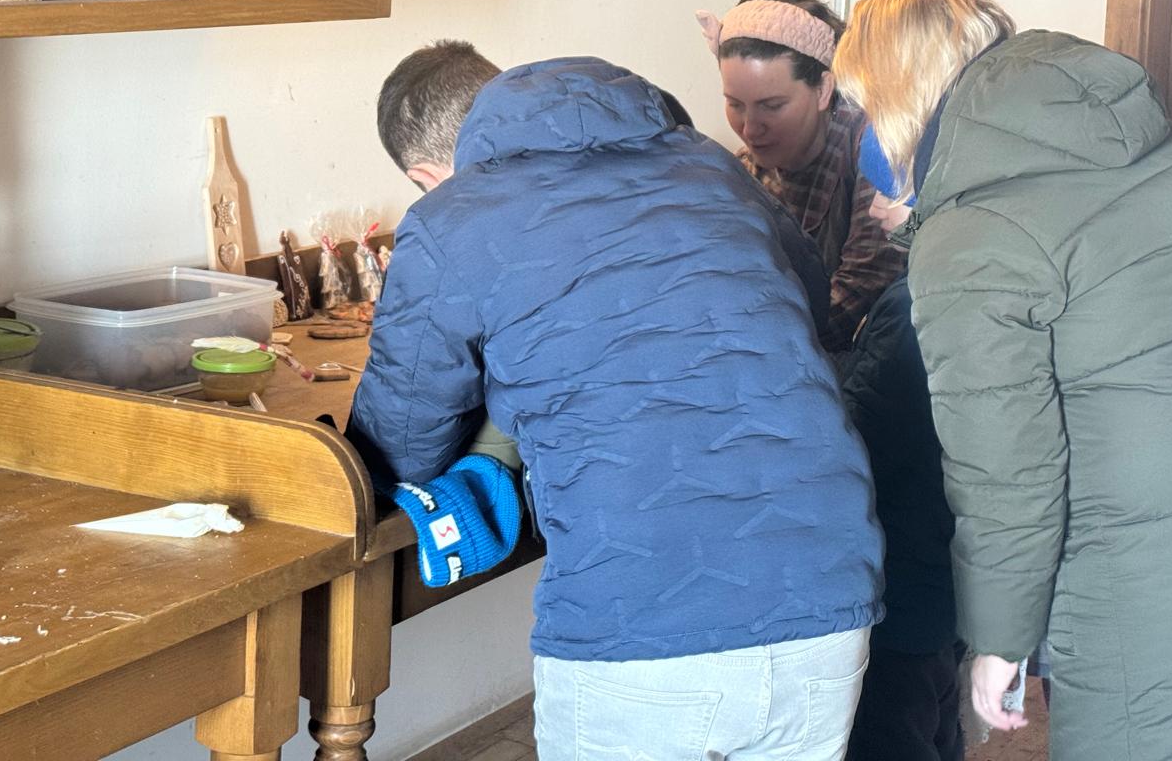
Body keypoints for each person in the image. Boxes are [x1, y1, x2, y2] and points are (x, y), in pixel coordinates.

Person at [832, 0, 1172, 760]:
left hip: (1160, 579)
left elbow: (1007, 474)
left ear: (896, 98)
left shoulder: (972, 239)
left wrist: (999, 644)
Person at [350, 41, 884, 760]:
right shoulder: (710, 165)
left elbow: (398, 443)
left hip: (642, 605)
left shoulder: (452, 218)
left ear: (425, 176)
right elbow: (809, 307)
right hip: (824, 583)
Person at [839, 128, 962, 761]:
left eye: (891, 193)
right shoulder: (964, 281)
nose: (874, 209)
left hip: (899, 584)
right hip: (943, 579)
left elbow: (865, 446)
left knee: (892, 730)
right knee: (937, 717)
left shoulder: (912, 304)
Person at [697, 0, 902, 342]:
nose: (750, 129)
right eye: (735, 104)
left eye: (772, 106)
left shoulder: (876, 154)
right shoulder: (742, 171)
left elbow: (859, 293)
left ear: (823, 89)